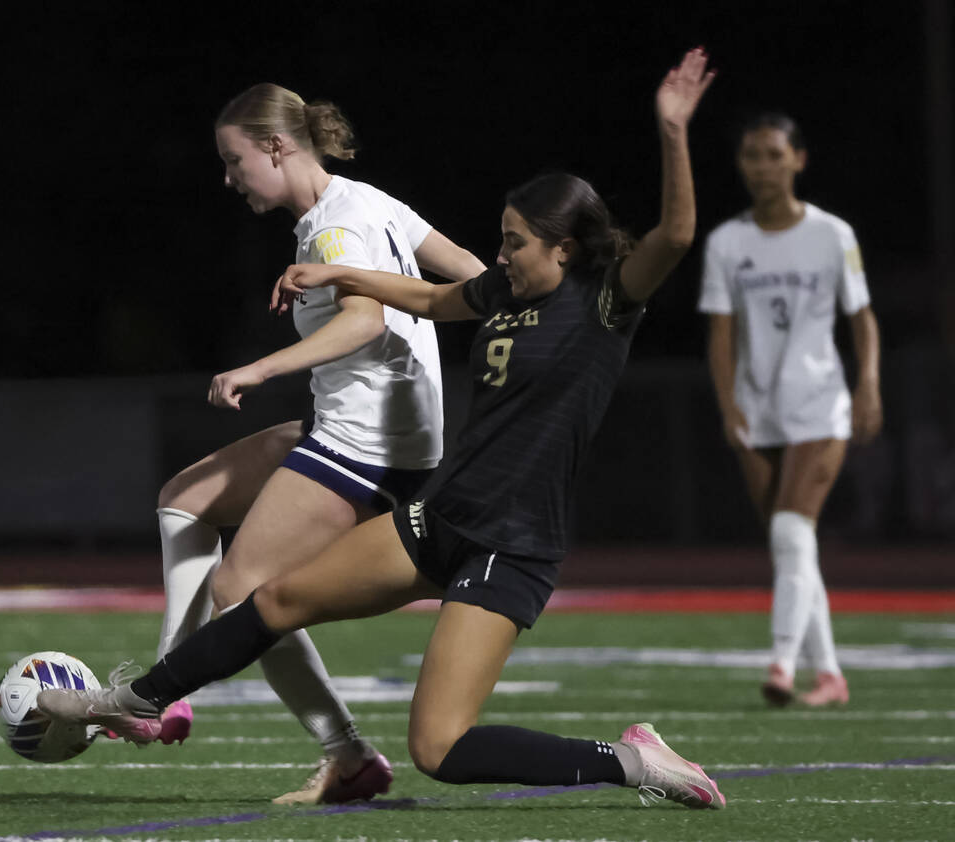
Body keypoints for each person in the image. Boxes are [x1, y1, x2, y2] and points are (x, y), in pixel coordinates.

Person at [40, 48, 725, 809]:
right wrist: (343, 275)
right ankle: (133, 702)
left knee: (440, 747)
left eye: (515, 242)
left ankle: (631, 763)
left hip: (512, 540)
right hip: (441, 515)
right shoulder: (505, 290)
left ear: (564, 249)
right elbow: (434, 299)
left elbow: (677, 233)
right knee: (271, 601)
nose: (499, 254)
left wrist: (672, 132)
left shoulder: (604, 305)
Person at [150, 82, 486, 804]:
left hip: (366, 447)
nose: (229, 176)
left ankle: (341, 753)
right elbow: (468, 267)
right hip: (378, 435)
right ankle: (174, 684)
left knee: (241, 593)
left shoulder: (331, 228)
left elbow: (364, 320)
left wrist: (258, 367)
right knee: (186, 498)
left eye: (235, 159)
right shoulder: (368, 200)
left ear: (276, 147)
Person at [699, 112, 883, 708]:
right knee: (791, 546)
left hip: (820, 404)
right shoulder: (727, 243)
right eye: (752, 156)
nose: (763, 167)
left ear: (798, 160)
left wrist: (869, 385)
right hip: (757, 409)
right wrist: (729, 407)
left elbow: (862, 318)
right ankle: (829, 675)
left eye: (775, 155)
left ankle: (780, 663)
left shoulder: (833, 234)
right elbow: (721, 335)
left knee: (789, 529)